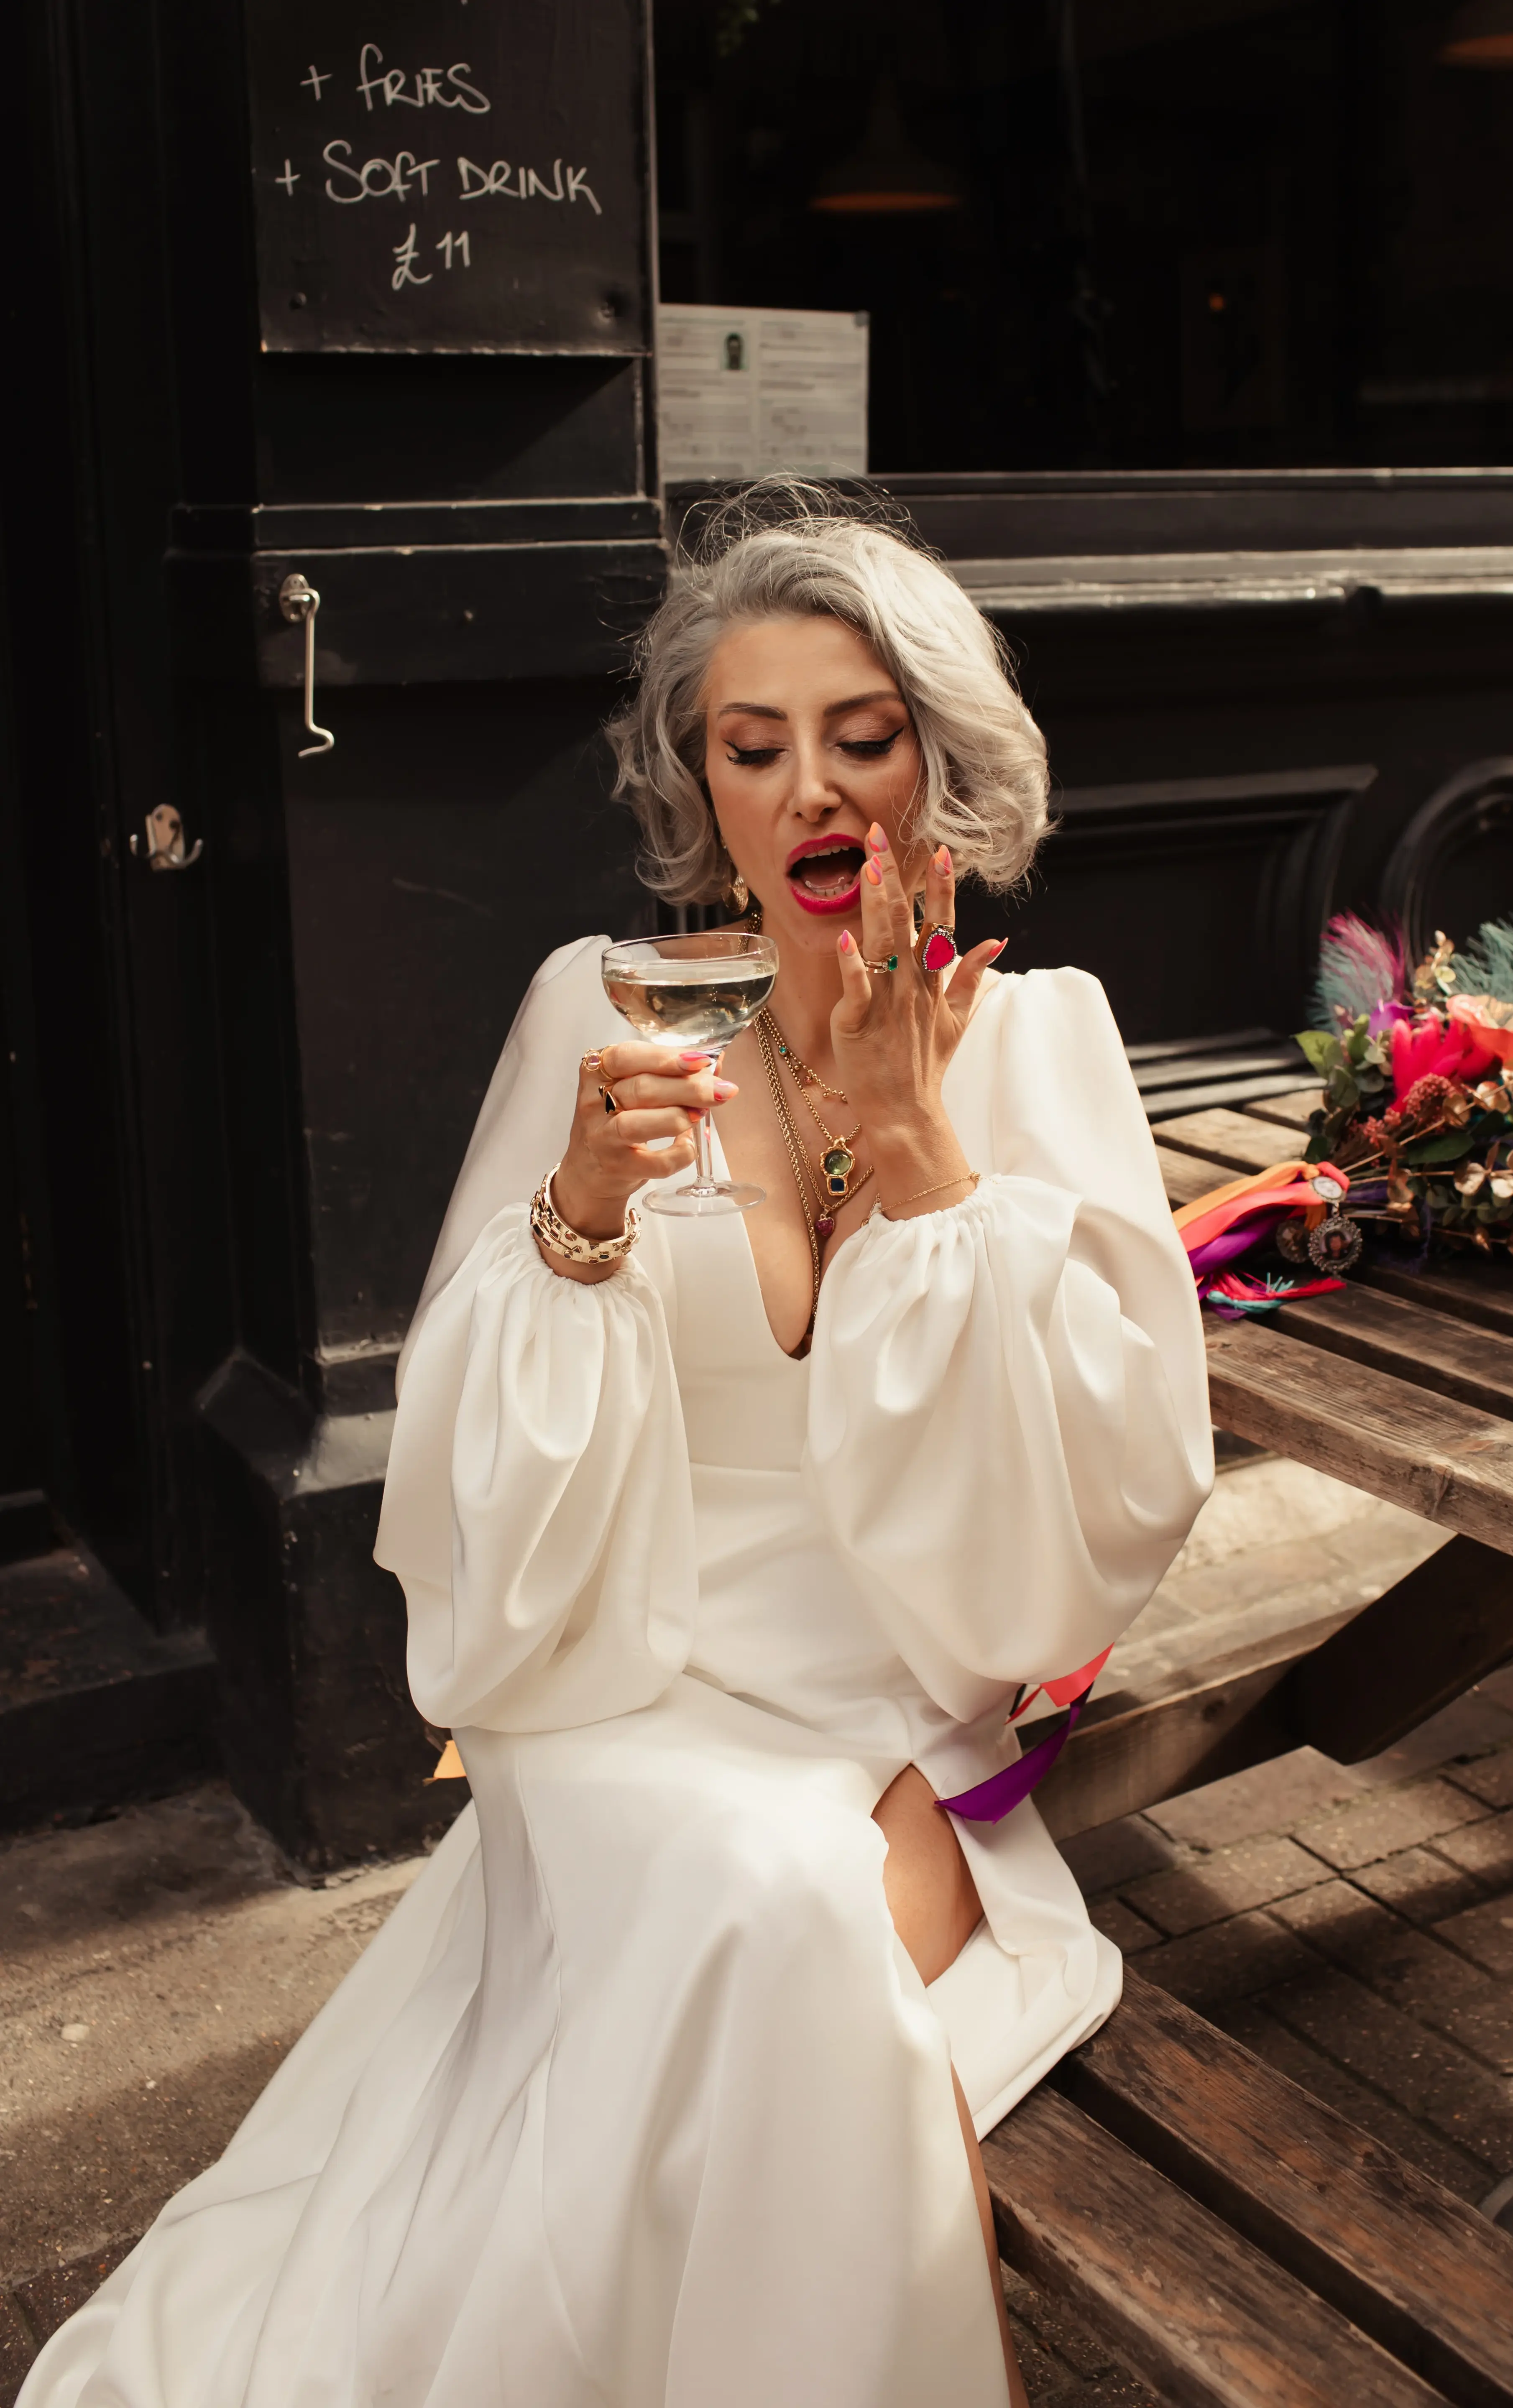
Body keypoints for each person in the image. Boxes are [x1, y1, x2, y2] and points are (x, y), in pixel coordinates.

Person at [19, 487, 1212, 2408]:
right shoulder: (606, 1005)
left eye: (863, 735)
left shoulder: (1048, 1034)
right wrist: (576, 1214)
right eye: (753, 748)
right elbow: (477, 1447)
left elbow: (1118, 1471)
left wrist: (918, 1145)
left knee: (783, 1947)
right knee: (756, 1910)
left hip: (902, 1674)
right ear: (700, 789)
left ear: (944, 765)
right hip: (626, 1655)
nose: (812, 791)